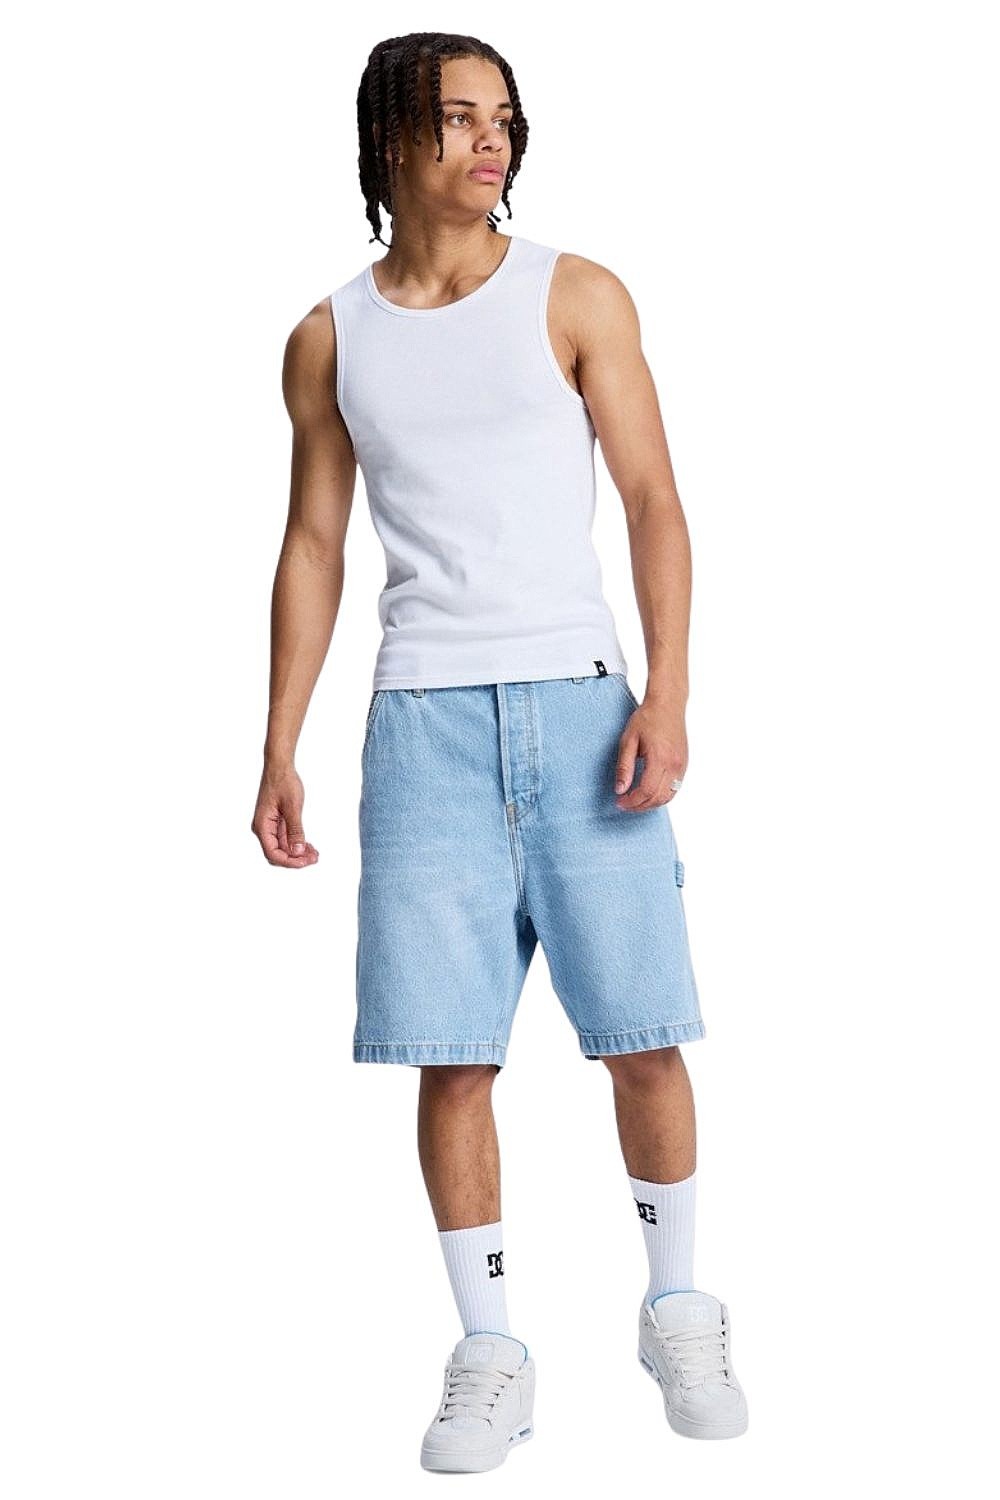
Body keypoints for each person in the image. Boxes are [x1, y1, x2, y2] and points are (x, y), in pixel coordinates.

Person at [252, 30, 748, 1473]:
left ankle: (678, 1306)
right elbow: (314, 542)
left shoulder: (574, 293)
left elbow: (654, 499)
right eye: (460, 117)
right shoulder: (330, 338)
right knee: (450, 1053)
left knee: (641, 1031)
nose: (492, 141)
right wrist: (278, 742)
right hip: (422, 724)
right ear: (389, 139)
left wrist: (668, 696)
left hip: (585, 706)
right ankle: (490, 1352)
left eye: (506, 119)